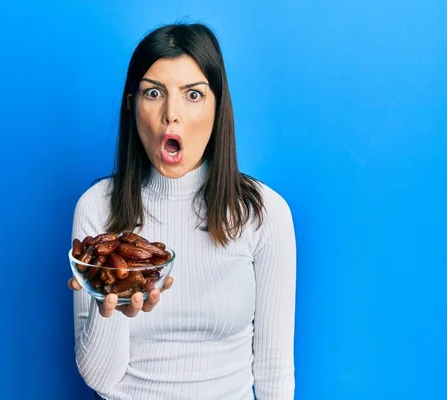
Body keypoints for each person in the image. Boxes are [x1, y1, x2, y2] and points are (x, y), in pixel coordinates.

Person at [67, 22, 296, 400]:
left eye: (193, 94)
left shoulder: (264, 213)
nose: (171, 114)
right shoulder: (97, 208)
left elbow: (274, 373)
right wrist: (109, 305)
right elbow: (99, 379)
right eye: (153, 93)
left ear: (218, 106)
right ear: (131, 105)